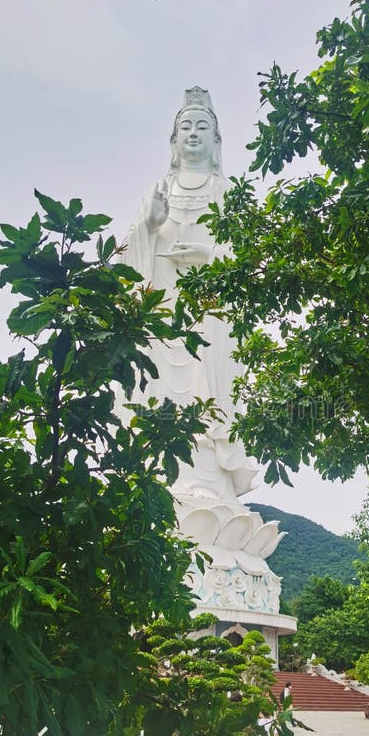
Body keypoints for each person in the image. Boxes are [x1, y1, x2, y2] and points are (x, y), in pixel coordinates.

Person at [117, 86, 258, 505]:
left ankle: (212, 484)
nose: (193, 133)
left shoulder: (226, 191)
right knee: (159, 388)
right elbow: (127, 256)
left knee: (207, 390)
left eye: (202, 127)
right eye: (186, 127)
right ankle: (160, 480)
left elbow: (250, 260)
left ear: (216, 142)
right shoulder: (158, 189)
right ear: (174, 141)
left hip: (210, 310)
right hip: (162, 308)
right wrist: (148, 226)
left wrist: (210, 256)